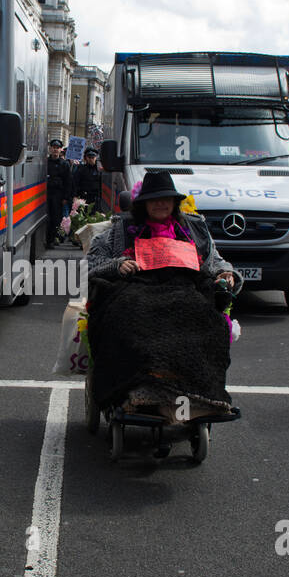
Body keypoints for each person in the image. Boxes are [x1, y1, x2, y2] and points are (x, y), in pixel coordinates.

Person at [85, 170, 240, 422]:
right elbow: (91, 264)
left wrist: (226, 274)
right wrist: (116, 265)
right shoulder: (120, 229)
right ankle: (138, 389)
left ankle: (199, 392)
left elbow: (216, 262)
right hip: (135, 289)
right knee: (130, 315)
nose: (160, 203)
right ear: (143, 203)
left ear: (175, 202)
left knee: (207, 319)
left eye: (166, 198)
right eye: (154, 199)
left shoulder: (194, 228)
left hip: (184, 289)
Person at [45, 138, 73, 247]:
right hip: (47, 193)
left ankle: (51, 239)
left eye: (57, 148)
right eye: (53, 147)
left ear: (60, 149)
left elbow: (68, 181)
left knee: (56, 218)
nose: (55, 150)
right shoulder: (46, 162)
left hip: (58, 194)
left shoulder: (64, 164)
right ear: (50, 148)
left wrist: (66, 197)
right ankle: (48, 239)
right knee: (47, 217)